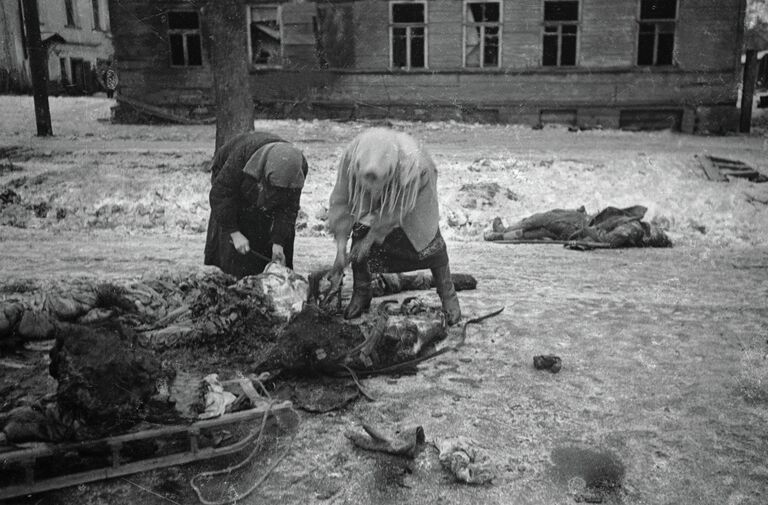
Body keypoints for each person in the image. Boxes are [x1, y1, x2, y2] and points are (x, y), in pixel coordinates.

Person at [328, 128, 461, 324]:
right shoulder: (352, 157)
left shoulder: (413, 163)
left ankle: (448, 294)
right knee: (360, 233)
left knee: (430, 244)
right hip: (372, 191)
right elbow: (342, 200)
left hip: (412, 196)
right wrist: (340, 249)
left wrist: (370, 240)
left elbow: (397, 211)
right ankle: (362, 292)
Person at [204, 132, 308, 279]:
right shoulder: (240, 158)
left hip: (266, 177)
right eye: (273, 189)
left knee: (278, 247)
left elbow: (288, 209)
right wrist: (234, 232)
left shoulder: (298, 168)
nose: (275, 195)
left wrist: (278, 242)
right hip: (233, 179)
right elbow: (220, 195)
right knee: (235, 244)